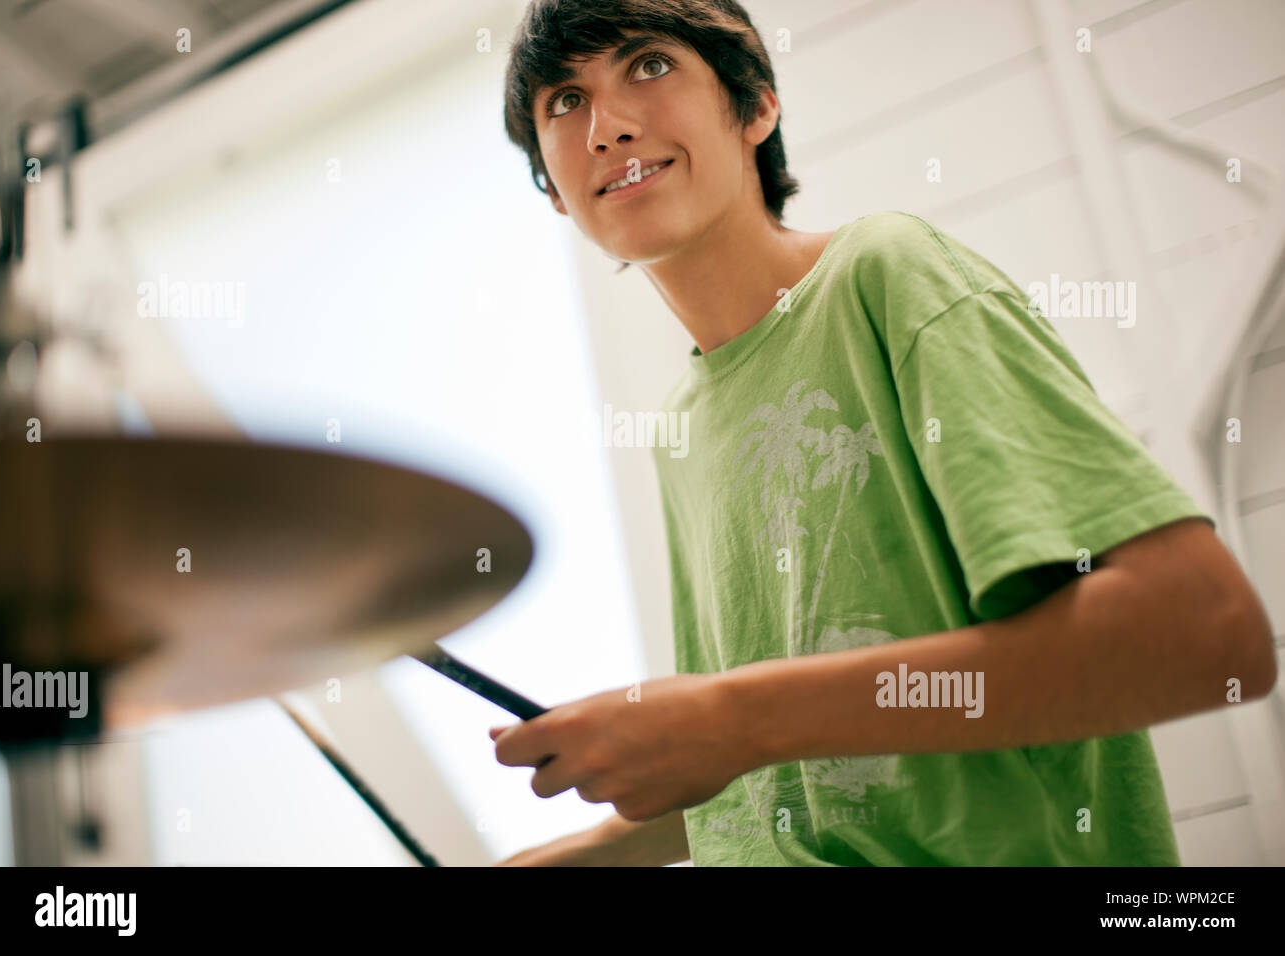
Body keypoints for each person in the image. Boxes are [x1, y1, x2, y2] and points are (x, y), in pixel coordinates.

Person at [489, 0, 1277, 866]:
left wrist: (730, 715)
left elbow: (1203, 635)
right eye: (563, 101)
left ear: (755, 105)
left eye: (646, 65)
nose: (606, 125)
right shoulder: (678, 428)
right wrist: (588, 851)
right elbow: (807, 767)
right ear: (554, 195)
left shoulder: (887, 272)